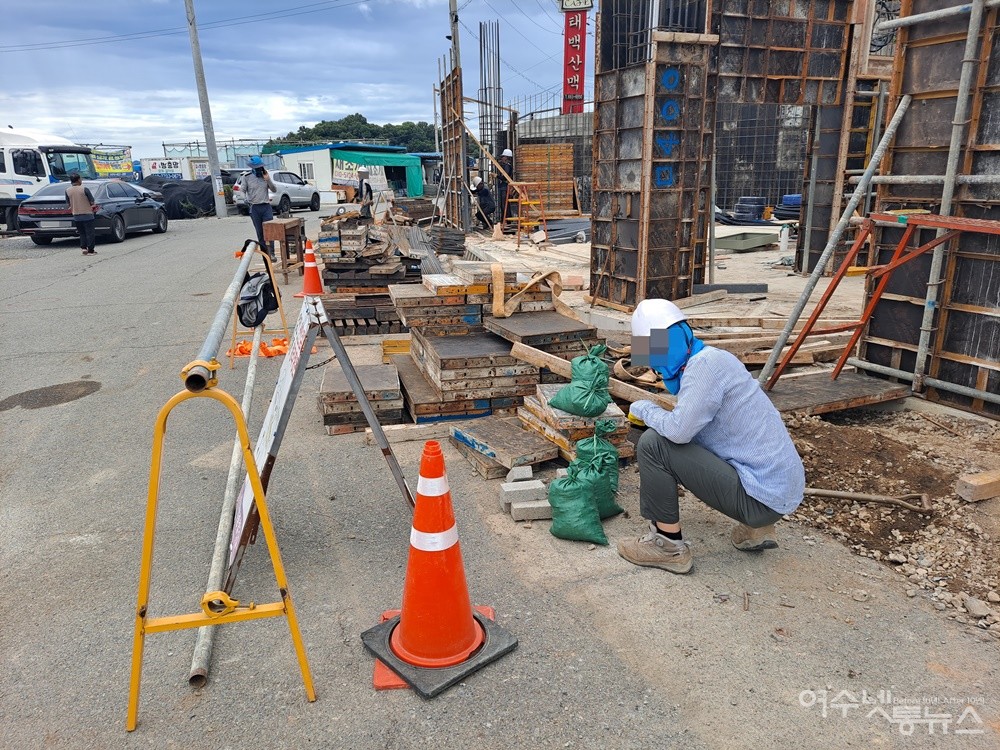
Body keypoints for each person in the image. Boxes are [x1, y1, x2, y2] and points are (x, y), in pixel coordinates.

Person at [618, 299, 805, 574]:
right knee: (683, 432)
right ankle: (757, 528)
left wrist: (645, 409)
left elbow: (679, 433)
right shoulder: (715, 358)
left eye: (653, 352)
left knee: (654, 444)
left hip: (761, 497)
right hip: (779, 488)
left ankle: (667, 545)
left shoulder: (702, 370)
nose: (655, 367)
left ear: (660, 344)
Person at [244, 155, 277, 260]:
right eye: (257, 167)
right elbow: (242, 190)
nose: (259, 169)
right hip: (255, 207)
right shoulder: (247, 177)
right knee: (260, 233)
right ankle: (265, 254)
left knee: (269, 230)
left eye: (260, 167)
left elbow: (274, 189)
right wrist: (244, 198)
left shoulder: (265, 176)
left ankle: (272, 253)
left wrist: (268, 180)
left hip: (266, 206)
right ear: (252, 167)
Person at [65, 173, 97, 255]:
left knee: (82, 233)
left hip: (76, 215)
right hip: (87, 214)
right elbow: (92, 201)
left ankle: (83, 248)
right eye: (81, 179)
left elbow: (68, 203)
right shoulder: (84, 189)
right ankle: (90, 250)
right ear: (79, 179)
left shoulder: (67, 191)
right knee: (90, 233)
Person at [496, 148, 514, 222]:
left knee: (504, 205)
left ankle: (507, 220)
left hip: (504, 187)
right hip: (503, 187)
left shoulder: (507, 166)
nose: (502, 158)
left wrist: (496, 176)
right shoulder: (507, 166)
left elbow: (504, 177)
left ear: (506, 157)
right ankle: (505, 220)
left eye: (503, 157)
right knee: (504, 205)